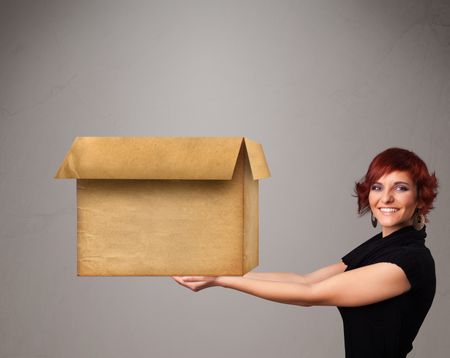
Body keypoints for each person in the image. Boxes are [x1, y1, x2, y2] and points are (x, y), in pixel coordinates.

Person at [172, 147, 438, 358]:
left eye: (400, 188)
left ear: (419, 197)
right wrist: (225, 272)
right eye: (378, 187)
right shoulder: (380, 246)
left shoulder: (410, 260)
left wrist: (220, 280)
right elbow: (307, 280)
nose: (386, 198)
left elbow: (309, 295)